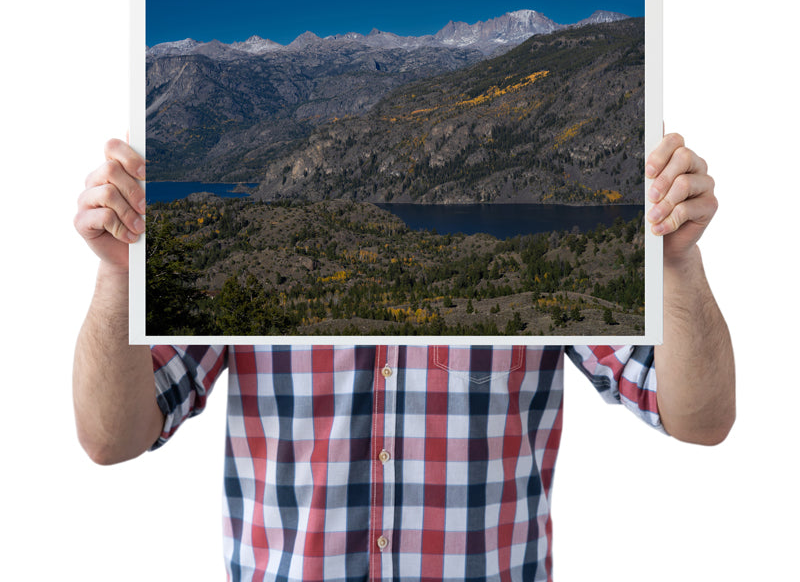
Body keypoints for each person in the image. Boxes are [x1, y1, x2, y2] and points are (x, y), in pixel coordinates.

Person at [73, 133, 735, 582]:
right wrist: (118, 278)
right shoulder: (228, 270)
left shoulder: (540, 289)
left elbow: (699, 418)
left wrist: (676, 264)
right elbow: (111, 436)